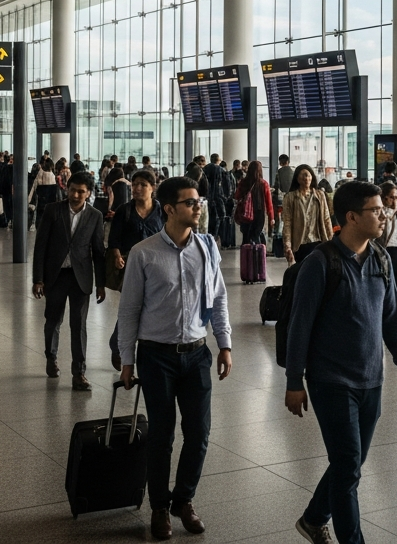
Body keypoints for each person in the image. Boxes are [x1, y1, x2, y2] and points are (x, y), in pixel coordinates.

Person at [286, 181, 397, 544]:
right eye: (376, 210)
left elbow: (391, 318)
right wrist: (295, 382)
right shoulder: (320, 264)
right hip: (331, 381)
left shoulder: (380, 259)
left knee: (351, 463)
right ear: (350, 217)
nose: (384, 215)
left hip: (371, 380)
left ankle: (314, 518)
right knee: (348, 466)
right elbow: (299, 327)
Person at [118, 176, 232, 540]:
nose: (198, 207)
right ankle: (160, 508)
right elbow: (129, 310)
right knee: (162, 436)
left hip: (197, 353)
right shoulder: (143, 252)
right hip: (157, 356)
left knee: (199, 433)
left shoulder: (208, 246)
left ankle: (184, 500)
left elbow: (218, 298)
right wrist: (126, 360)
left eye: (199, 202)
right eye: (190, 203)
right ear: (169, 209)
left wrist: (224, 343)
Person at [31, 171, 106, 390]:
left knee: (79, 325)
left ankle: (79, 372)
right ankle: (51, 357)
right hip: (55, 275)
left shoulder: (95, 216)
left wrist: (100, 283)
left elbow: (99, 251)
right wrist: (38, 279)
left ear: (89, 193)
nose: (75, 195)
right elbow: (41, 246)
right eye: (72, 190)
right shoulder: (53, 210)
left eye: (81, 191)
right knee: (53, 320)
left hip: (80, 278)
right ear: (67, 188)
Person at [107, 169, 164, 369]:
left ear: (152, 188)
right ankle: (118, 344)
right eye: (135, 184)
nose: (137, 189)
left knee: (148, 308)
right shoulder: (125, 210)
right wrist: (116, 256)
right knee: (132, 307)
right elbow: (114, 238)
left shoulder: (162, 211)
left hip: (157, 268)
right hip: (130, 267)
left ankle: (133, 347)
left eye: (143, 185)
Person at [281, 164, 333, 265]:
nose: (306, 178)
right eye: (303, 175)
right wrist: (287, 246)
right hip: (300, 244)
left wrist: (331, 242)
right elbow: (287, 223)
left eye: (308, 175)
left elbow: (327, 219)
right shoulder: (290, 197)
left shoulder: (319, 195)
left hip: (318, 242)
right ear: (297, 178)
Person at [232, 159, 274, 246]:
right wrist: (271, 217)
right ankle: (257, 256)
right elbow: (269, 203)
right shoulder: (264, 184)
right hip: (259, 213)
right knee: (255, 236)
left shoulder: (243, 182)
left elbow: (236, 196)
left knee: (246, 238)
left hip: (245, 213)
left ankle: (246, 258)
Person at [273, 154, 293, 239]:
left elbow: (277, 186)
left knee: (280, 219)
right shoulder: (293, 172)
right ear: (288, 162)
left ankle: (278, 235)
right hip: (291, 198)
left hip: (280, 200)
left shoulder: (279, 172)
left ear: (280, 162)